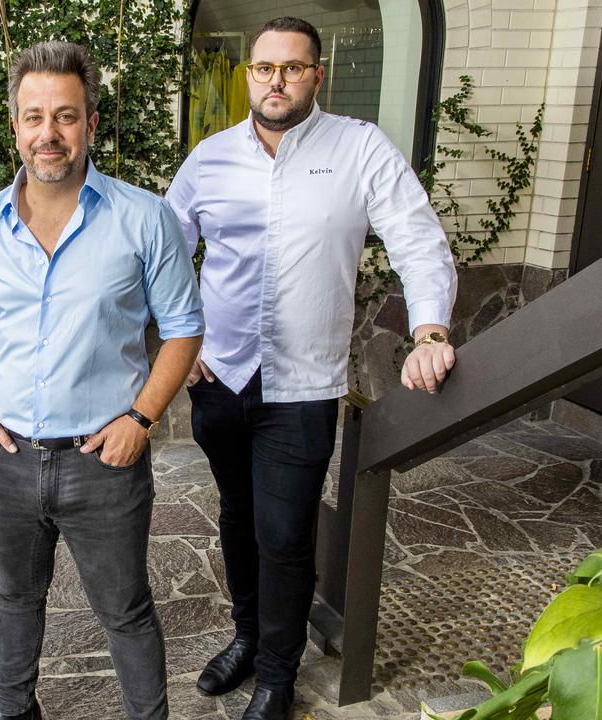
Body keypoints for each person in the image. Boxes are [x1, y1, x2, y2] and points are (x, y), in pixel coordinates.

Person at [165, 17, 457, 720]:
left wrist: (432, 330)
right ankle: (244, 636)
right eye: (264, 68)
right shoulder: (209, 157)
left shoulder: (359, 149)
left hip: (302, 385)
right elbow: (165, 255)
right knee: (238, 515)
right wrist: (182, 340)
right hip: (220, 378)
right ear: (248, 75)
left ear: (316, 76)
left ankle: (276, 672)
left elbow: (419, 241)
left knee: (286, 531)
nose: (276, 81)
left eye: (292, 68)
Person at [0, 41, 205, 720]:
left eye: (65, 116)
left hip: (103, 463)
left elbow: (183, 329)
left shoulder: (145, 218)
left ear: (90, 125)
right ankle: (14, 708)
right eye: (34, 117)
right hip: (6, 460)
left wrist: (141, 419)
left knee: (125, 609)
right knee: (15, 601)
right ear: (15, 127)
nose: (48, 133)